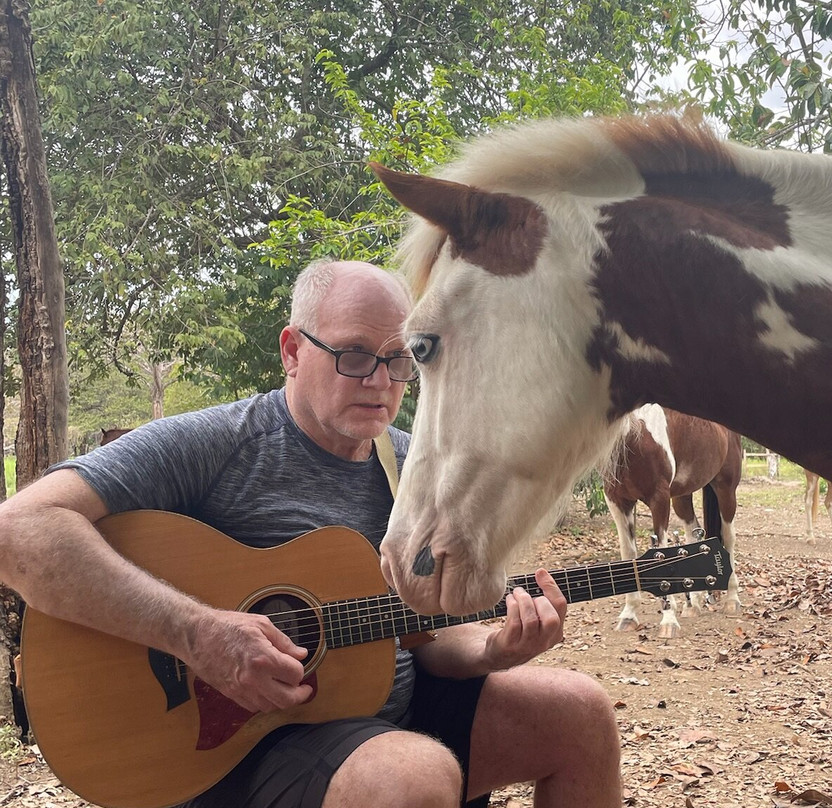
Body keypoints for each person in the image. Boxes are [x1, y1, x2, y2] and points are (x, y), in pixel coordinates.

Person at [0, 259, 622, 808]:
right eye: (354, 356)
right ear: (292, 351)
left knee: (580, 713)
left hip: (385, 715)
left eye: (401, 359)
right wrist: (196, 633)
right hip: (233, 746)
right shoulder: (218, 444)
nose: (381, 382)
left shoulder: (410, 465)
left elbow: (422, 631)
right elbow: (18, 530)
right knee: (411, 775)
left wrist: (491, 650)